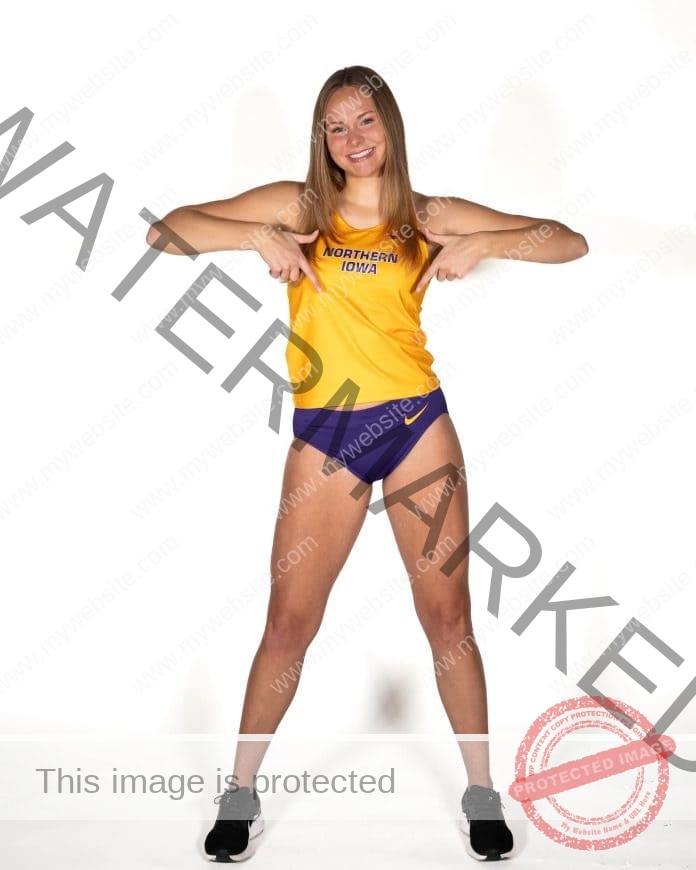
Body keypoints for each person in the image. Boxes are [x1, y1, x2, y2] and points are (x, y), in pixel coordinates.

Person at [147, 65, 588, 863]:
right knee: (289, 624)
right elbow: (165, 231)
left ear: (391, 124)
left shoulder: (426, 215)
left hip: (418, 424)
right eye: (335, 127)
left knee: (448, 620)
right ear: (321, 137)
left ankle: (481, 792)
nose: (352, 141)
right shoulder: (298, 207)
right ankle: (240, 791)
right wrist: (257, 236)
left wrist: (483, 242)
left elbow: (566, 241)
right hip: (328, 436)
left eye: (365, 122)